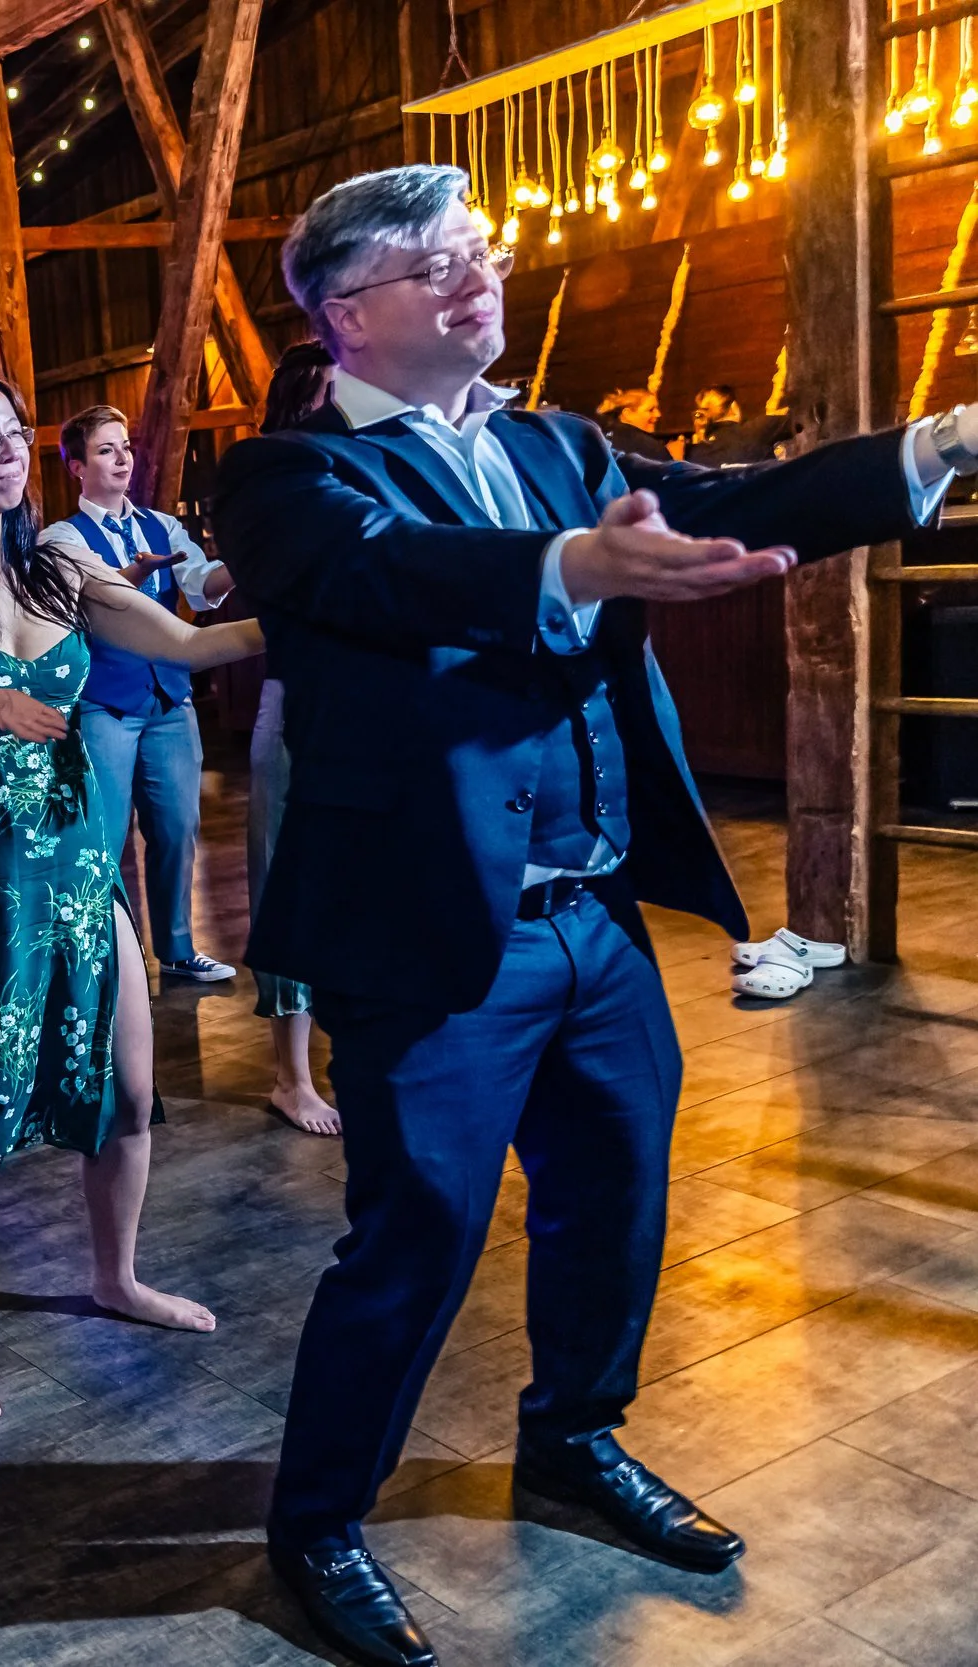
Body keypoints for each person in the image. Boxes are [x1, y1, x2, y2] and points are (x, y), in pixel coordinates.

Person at [216, 163, 978, 1667]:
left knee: (617, 1190)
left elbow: (731, 503)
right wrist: (574, 563)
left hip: (594, 918)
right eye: (438, 262)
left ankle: (573, 1431)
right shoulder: (291, 477)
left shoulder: (557, 439)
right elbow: (393, 579)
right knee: (418, 1227)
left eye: (479, 251)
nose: (476, 275)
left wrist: (940, 442)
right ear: (349, 313)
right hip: (435, 934)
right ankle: (317, 1520)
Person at [0, 375, 265, 1419]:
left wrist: (292, 618)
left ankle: (115, 1275)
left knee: (126, 1083)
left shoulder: (62, 563)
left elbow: (192, 642)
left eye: (14, 434)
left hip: (77, 859)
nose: (7, 451)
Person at [36, 404, 237, 984]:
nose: (122, 457)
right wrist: (130, 574)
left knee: (177, 826)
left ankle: (176, 950)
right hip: (106, 704)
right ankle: (107, 958)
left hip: (170, 700)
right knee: (106, 835)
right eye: (105, 449)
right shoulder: (61, 539)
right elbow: (81, 603)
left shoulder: (164, 526)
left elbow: (200, 591)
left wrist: (248, 563)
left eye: (125, 446)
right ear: (76, 467)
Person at [237, 344, 345, 1139]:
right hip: (299, 697)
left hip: (373, 706)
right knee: (284, 877)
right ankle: (291, 1074)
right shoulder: (270, 480)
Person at [593, 387, 673, 464]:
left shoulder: (598, 440)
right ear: (628, 414)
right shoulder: (649, 447)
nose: (658, 414)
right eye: (651, 410)